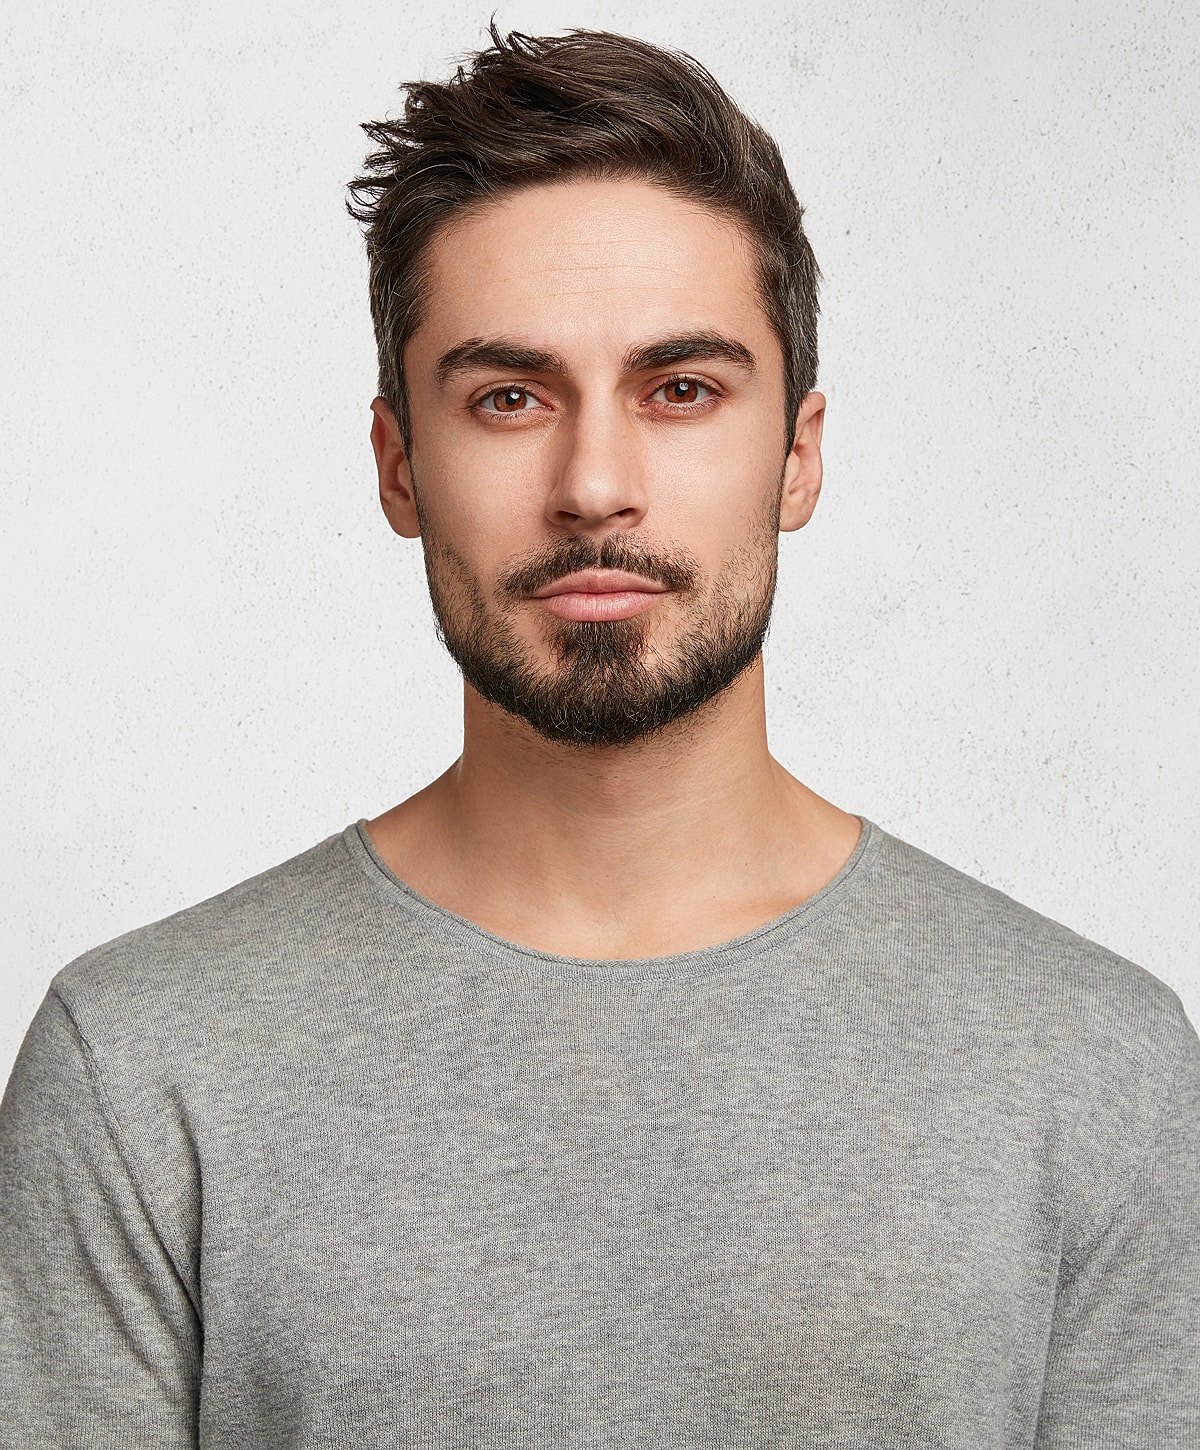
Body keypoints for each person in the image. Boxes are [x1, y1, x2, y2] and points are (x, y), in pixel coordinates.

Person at [1, 24, 1196, 1448]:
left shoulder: (1092, 1063)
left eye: (681, 389)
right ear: (399, 465)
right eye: (509, 397)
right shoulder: (140, 1067)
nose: (596, 482)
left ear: (798, 453)